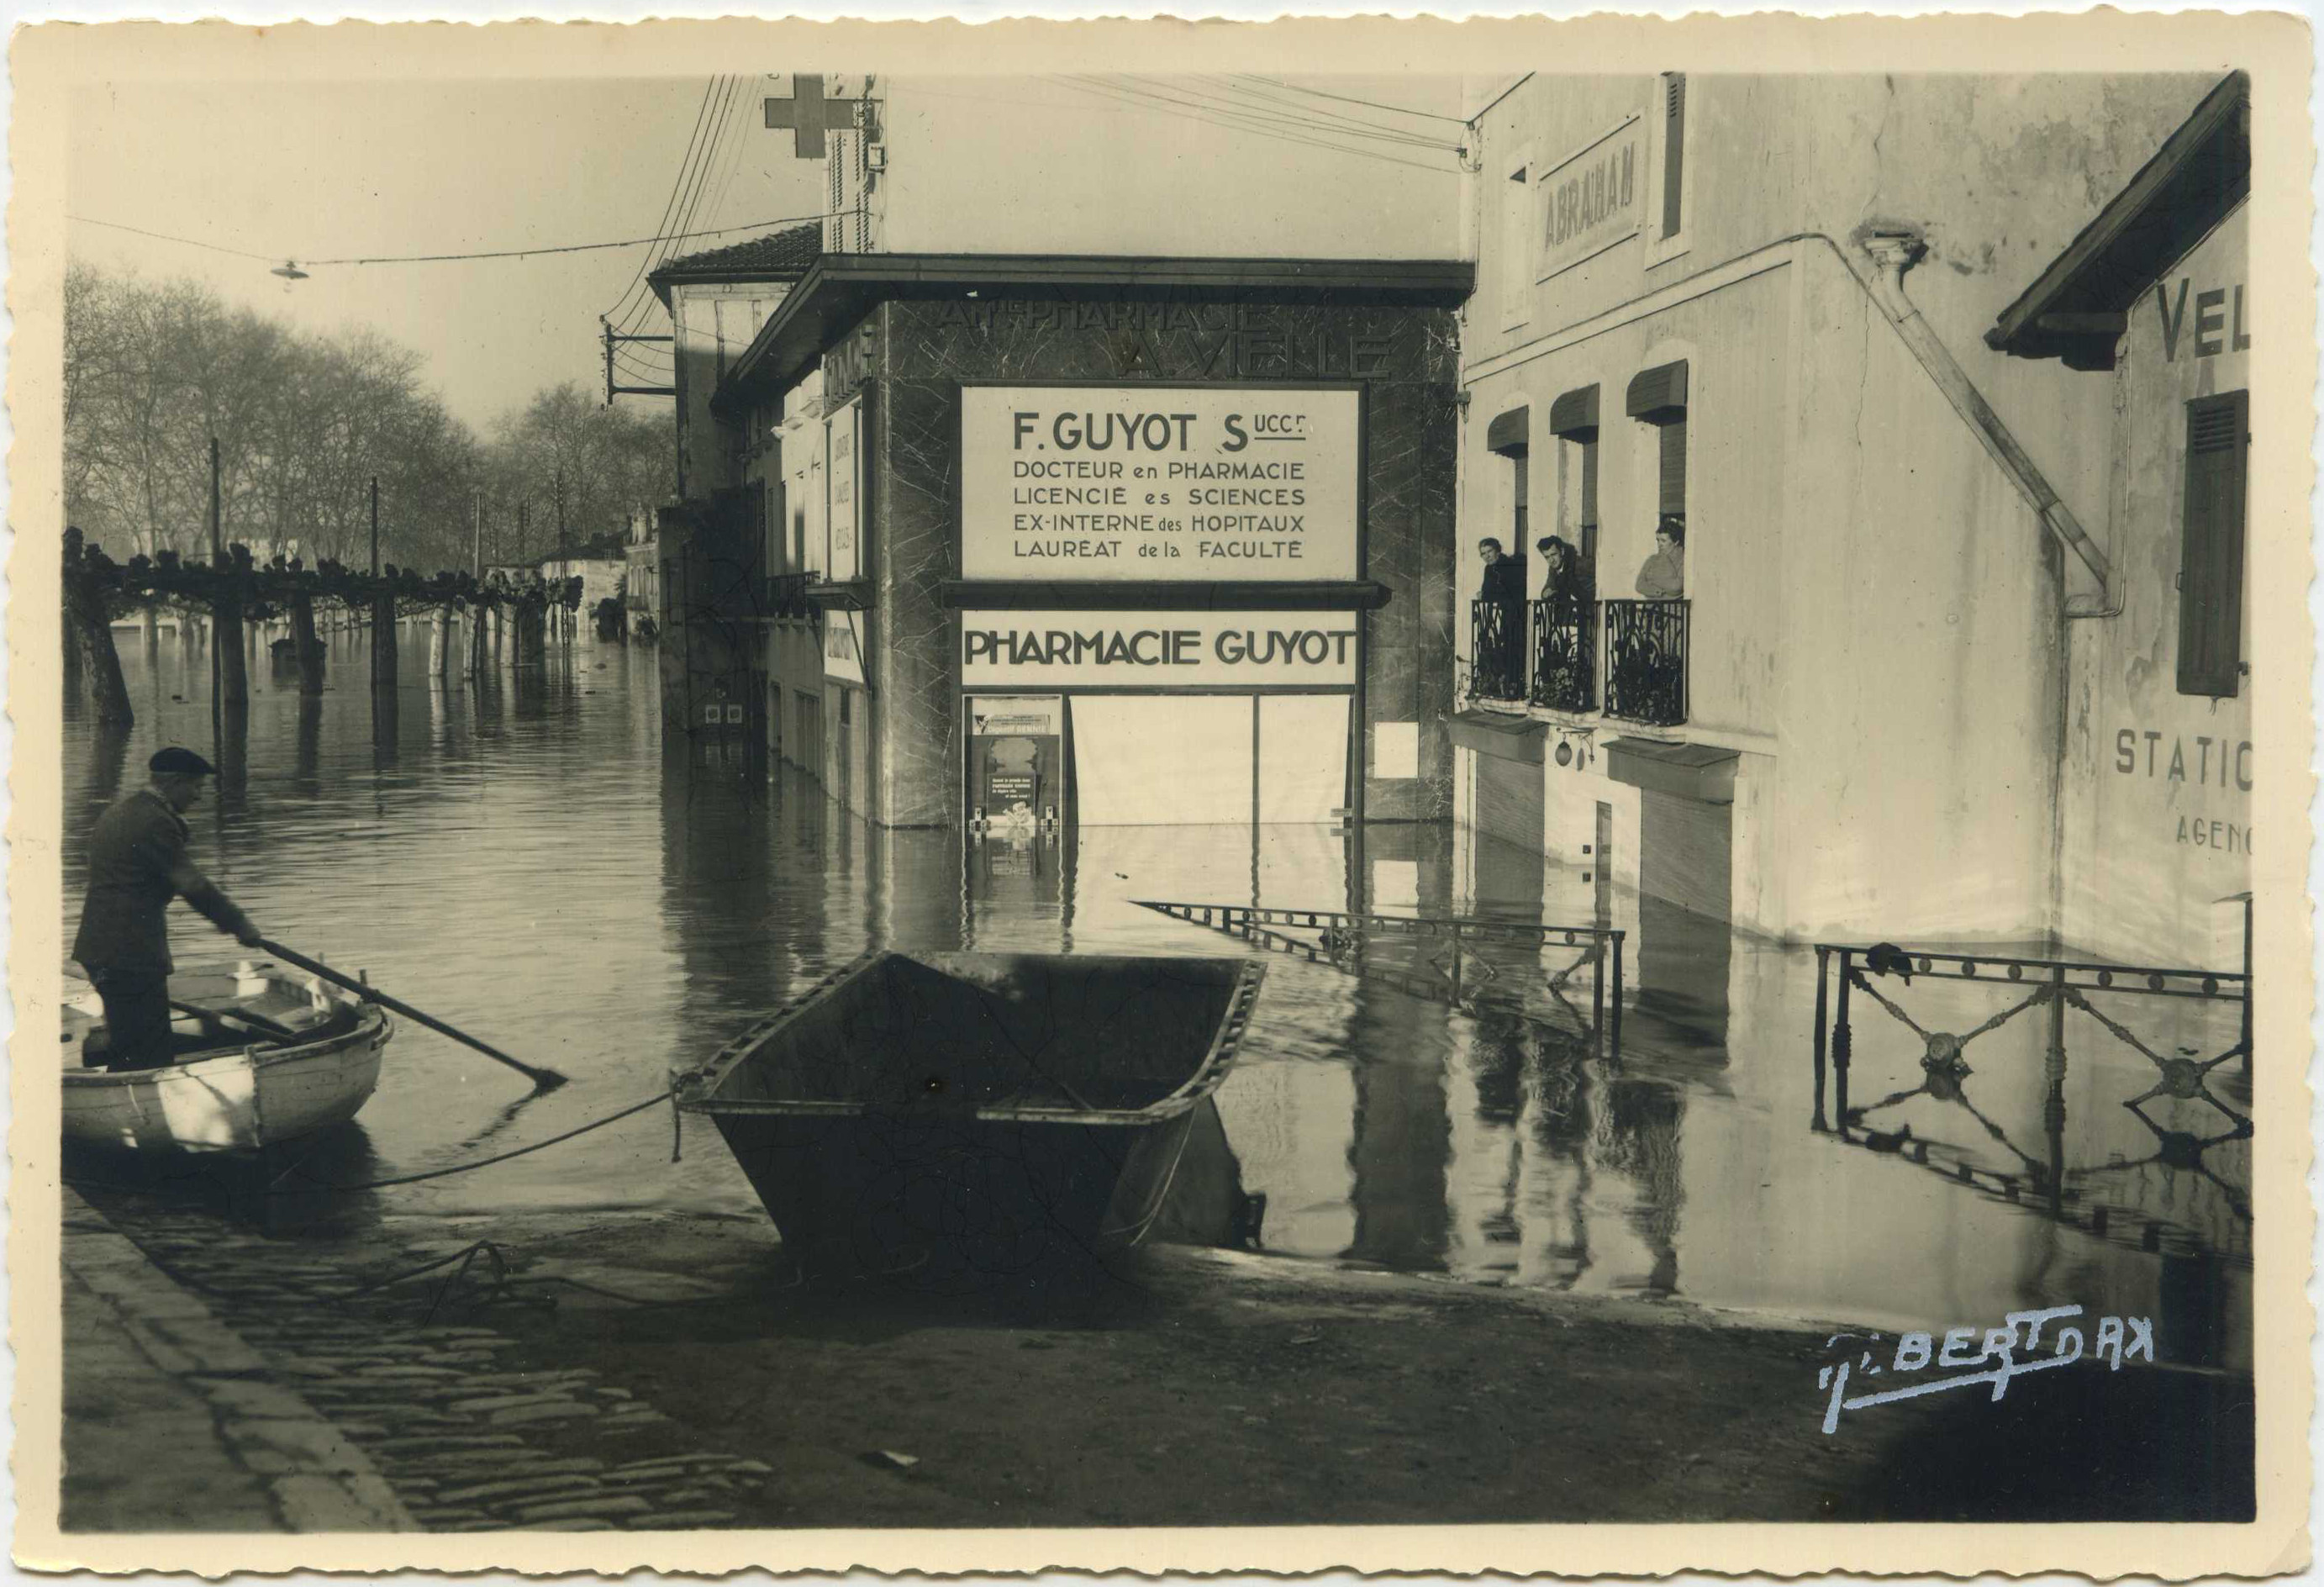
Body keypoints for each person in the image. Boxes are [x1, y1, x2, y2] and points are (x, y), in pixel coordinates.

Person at [72, 747, 260, 1071]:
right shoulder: (154, 822)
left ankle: (127, 1102)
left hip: (101, 949)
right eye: (197, 786)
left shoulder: (121, 812)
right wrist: (239, 924)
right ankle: (145, 1113)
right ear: (173, 783)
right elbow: (192, 884)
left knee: (130, 1042)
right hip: (131, 954)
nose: (199, 797)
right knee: (149, 1054)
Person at [1636, 515, 1686, 598]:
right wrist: (1659, 591)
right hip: (1650, 609)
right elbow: (1639, 585)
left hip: (1672, 610)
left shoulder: (1683, 559)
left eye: (1663, 541)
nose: (1659, 544)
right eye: (1658, 540)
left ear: (1676, 542)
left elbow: (1676, 587)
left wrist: (1651, 580)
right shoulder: (1652, 559)